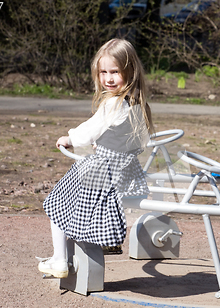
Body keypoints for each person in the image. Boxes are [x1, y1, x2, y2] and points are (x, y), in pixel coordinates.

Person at [38, 39, 154, 278]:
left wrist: (69, 138)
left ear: (130, 72)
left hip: (101, 170)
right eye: (104, 72)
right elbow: (137, 142)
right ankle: (65, 258)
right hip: (124, 172)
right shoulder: (138, 103)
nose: (108, 79)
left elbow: (90, 129)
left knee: (56, 205)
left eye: (115, 72)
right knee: (71, 207)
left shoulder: (112, 103)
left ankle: (60, 260)